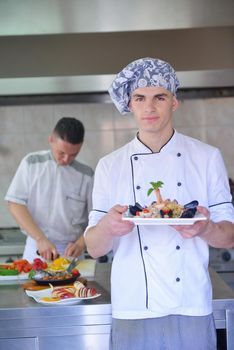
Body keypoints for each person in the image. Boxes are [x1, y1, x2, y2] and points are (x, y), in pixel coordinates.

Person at [84, 58, 234, 350]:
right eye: (140, 98)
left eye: (159, 97)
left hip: (190, 305)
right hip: (133, 308)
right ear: (130, 104)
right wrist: (108, 227)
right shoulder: (109, 166)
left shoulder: (207, 157)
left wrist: (205, 230)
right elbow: (94, 247)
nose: (149, 107)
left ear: (174, 102)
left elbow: (229, 236)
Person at [5, 117, 93, 262]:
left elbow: (95, 219)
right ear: (51, 139)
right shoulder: (31, 163)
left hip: (71, 252)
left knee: (74, 285)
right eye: (61, 153)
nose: (66, 159)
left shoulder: (87, 175)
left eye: (73, 155)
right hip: (37, 248)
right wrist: (40, 238)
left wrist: (81, 244)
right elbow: (15, 203)